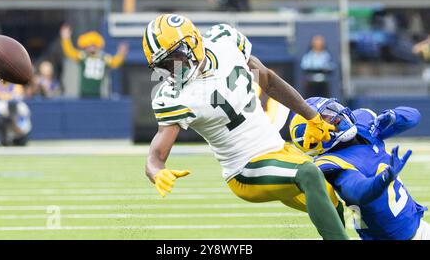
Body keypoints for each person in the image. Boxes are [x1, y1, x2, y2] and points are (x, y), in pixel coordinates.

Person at [143, 14, 348, 240]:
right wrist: (157, 172)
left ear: (194, 42)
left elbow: (268, 80)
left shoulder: (225, 41)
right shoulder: (174, 97)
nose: (174, 69)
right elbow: (156, 156)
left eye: (176, 58)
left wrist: (312, 116)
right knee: (310, 174)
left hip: (279, 152)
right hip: (245, 170)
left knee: (331, 200)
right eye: (164, 64)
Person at [289, 97, 429, 240]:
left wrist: (394, 116)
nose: (338, 116)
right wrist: (382, 179)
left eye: (332, 109)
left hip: (419, 226)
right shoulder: (331, 163)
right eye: (326, 117)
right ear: (312, 138)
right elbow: (357, 192)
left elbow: (414, 116)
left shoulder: (363, 124)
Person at [59, 24, 129, 98]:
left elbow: (114, 62)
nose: (91, 48)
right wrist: (65, 39)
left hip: (98, 93)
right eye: (89, 45)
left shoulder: (103, 58)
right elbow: (70, 52)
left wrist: (121, 54)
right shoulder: (83, 56)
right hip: (83, 93)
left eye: (94, 45)